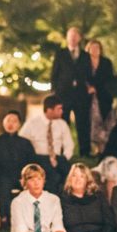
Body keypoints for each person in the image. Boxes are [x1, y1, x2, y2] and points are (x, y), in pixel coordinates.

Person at [0, 110, 35, 226]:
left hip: (21, 178)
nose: (11, 124)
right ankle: (5, 217)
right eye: (8, 120)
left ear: (19, 124)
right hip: (2, 177)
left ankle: (27, 218)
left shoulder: (25, 143)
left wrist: (25, 177)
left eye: (14, 121)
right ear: (3, 123)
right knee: (5, 183)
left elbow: (32, 163)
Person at [19, 94, 75, 195]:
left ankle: (67, 202)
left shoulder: (62, 124)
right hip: (39, 158)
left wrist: (64, 158)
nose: (62, 111)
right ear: (49, 110)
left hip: (58, 158)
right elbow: (22, 143)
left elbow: (69, 144)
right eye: (59, 109)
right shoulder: (32, 123)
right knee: (54, 177)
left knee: (70, 175)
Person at [51, 27, 92, 157]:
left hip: (81, 95)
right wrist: (55, 92)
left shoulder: (85, 56)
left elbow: (89, 74)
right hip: (63, 94)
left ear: (79, 38)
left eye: (75, 36)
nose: (73, 38)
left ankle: (85, 151)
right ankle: (62, 151)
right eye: (70, 36)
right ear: (67, 38)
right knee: (63, 123)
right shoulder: (60, 53)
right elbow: (54, 74)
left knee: (83, 123)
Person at [85, 39, 117, 155]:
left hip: (104, 97)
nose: (95, 50)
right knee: (93, 122)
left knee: (106, 121)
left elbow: (109, 79)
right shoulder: (84, 63)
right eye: (92, 48)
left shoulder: (106, 63)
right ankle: (96, 148)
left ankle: (105, 147)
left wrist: (96, 88)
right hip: (89, 98)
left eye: (97, 48)